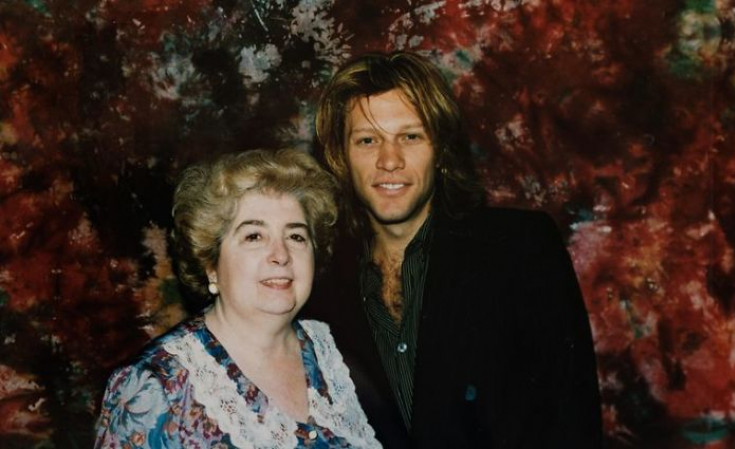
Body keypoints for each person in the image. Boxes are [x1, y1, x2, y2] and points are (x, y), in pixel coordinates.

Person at [302, 51, 604, 448]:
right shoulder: (317, 283)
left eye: (410, 136)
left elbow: (574, 416)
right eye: (367, 140)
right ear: (341, 157)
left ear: (440, 149)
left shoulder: (520, 248)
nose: (389, 160)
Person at [94, 149, 382, 448]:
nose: (281, 255)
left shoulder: (335, 358)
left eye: (296, 236)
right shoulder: (153, 386)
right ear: (211, 264)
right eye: (254, 236)